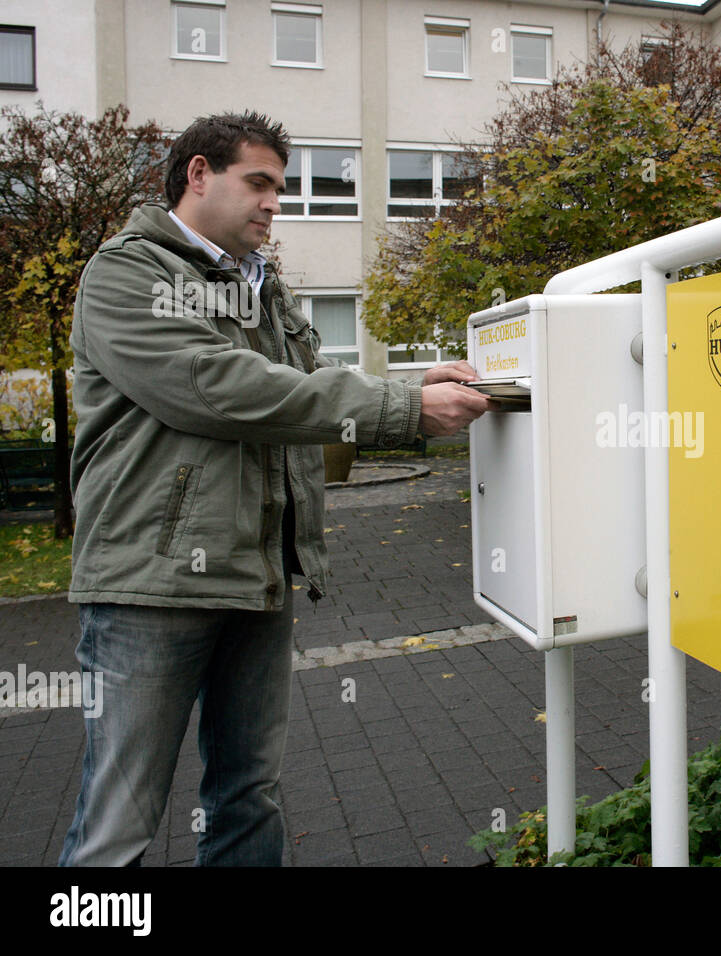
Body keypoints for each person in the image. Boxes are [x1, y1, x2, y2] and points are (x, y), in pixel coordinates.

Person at [58, 111, 493, 865]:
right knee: (119, 824)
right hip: (148, 587)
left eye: (281, 189)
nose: (273, 204)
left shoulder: (263, 288)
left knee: (248, 794)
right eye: (257, 183)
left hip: (257, 577)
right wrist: (398, 408)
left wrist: (403, 390)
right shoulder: (128, 273)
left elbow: (300, 399)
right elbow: (222, 388)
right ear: (198, 174)